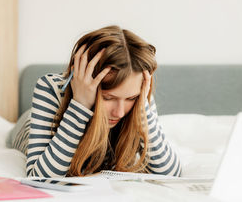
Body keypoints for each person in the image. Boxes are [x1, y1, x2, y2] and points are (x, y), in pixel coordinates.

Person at [19, 25, 181, 177]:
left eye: (130, 98)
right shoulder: (50, 88)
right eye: (108, 97)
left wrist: (142, 107)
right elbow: (38, 178)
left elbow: (171, 174)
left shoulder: (139, 96)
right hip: (26, 127)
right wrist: (80, 105)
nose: (119, 112)